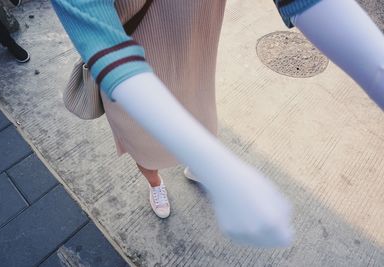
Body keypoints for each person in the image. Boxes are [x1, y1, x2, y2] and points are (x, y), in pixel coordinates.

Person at [51, 0, 384, 247]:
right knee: (146, 143)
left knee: (203, 123)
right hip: (130, 78)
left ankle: (198, 165)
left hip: (195, 55)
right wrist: (221, 168)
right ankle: (156, 185)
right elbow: (98, 36)